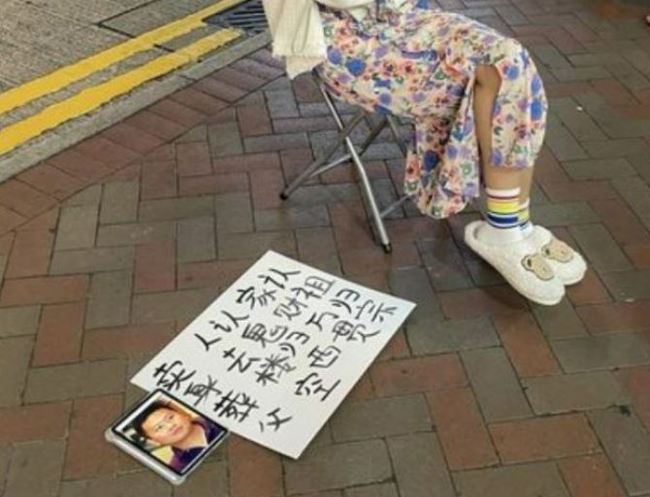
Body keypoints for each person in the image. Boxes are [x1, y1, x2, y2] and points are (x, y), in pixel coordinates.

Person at [262, 0, 587, 306]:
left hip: (400, 15)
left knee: (512, 59)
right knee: (498, 76)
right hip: (345, 41)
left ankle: (517, 223)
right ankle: (504, 226)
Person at [131, 400, 222, 473]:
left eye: (170, 417)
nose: (170, 426)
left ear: (182, 413)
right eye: (159, 427)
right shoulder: (178, 468)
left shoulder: (216, 416)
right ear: (153, 441)